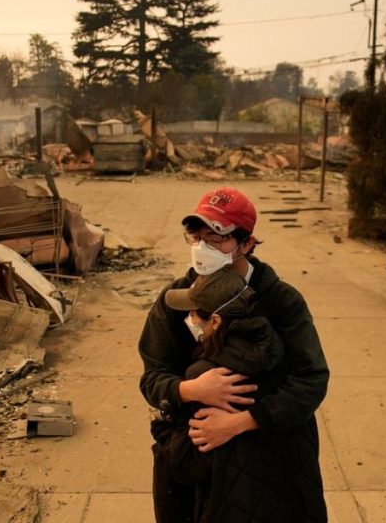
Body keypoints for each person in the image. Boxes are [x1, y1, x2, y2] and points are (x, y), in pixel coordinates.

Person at [139, 186, 330, 522]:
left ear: (246, 244)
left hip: (273, 460)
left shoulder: (281, 301)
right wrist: (191, 390)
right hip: (195, 459)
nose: (202, 248)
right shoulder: (174, 300)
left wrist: (240, 423)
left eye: (216, 238)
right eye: (196, 237)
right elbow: (153, 375)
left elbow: (310, 380)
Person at [152, 268, 284, 492]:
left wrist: (161, 427)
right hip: (275, 486)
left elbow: (186, 463)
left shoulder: (206, 376)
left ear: (215, 321)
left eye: (193, 313)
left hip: (229, 497)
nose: (189, 319)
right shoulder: (277, 352)